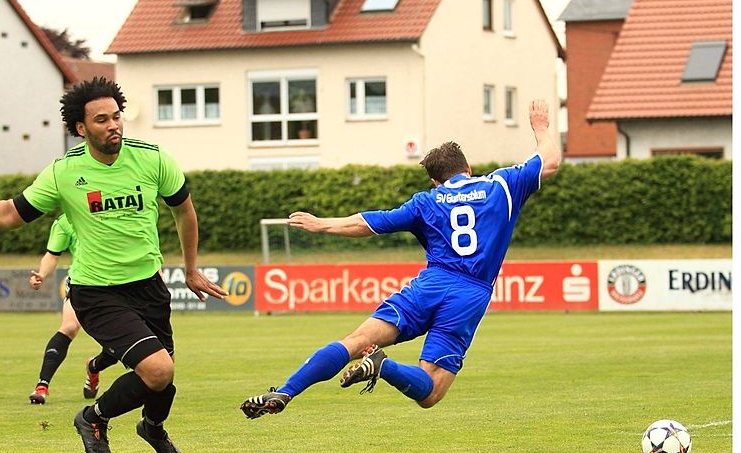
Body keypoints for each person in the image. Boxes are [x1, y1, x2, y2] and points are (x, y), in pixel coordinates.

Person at [0, 77, 228, 453]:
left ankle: (153, 429)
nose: (113, 125)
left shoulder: (153, 159)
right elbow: (13, 212)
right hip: (96, 292)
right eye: (102, 120)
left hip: (148, 286)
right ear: (81, 128)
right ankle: (93, 419)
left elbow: (184, 211)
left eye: (117, 116)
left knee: (161, 381)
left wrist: (190, 269)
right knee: (158, 369)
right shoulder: (64, 173)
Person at [240, 99, 561, 419]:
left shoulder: (427, 201)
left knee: (354, 340)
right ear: (468, 169)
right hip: (469, 294)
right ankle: (384, 366)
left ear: (435, 181)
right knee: (431, 392)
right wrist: (541, 129)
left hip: (429, 285)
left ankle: (287, 389)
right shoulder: (502, 184)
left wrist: (322, 224)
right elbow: (549, 162)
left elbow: (369, 222)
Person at [27, 213, 118, 405]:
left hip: (118, 283)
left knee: (119, 342)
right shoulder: (64, 221)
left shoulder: (113, 210)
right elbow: (52, 254)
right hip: (82, 283)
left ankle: (94, 367)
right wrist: (42, 274)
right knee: (68, 327)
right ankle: (42, 386)